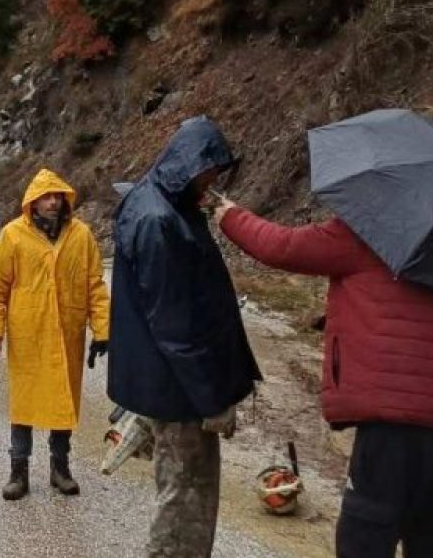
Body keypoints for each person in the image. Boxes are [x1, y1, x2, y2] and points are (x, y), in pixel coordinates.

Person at [213, 195, 433, 558]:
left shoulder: (370, 226)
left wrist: (231, 216)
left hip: (392, 419)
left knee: (364, 537)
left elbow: (283, 247)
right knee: (429, 538)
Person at [107, 116, 261, 557]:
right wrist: (211, 399)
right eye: (209, 172)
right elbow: (174, 326)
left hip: (177, 384)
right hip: (181, 391)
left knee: (186, 490)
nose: (213, 181)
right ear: (189, 163)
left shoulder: (167, 204)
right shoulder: (158, 220)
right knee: (186, 497)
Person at [0, 168, 110, 501]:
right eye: (46, 197)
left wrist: (102, 330)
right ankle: (18, 472)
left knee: (62, 402)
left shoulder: (81, 235)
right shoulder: (13, 235)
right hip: (29, 333)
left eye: (57, 196)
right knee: (24, 404)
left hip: (67, 333)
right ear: (33, 202)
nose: (53, 202)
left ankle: (60, 468)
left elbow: (95, 286)